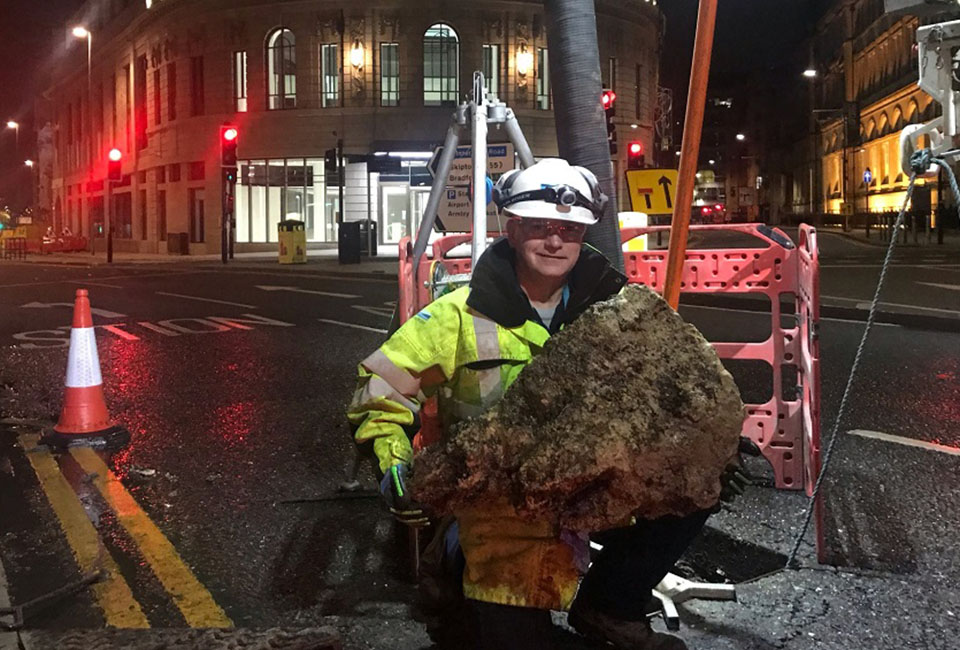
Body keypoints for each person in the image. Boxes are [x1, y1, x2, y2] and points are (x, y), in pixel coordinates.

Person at [348, 158, 729, 650]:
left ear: (584, 232)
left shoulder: (618, 313)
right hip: (498, 510)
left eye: (569, 229)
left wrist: (715, 449)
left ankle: (610, 603)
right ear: (510, 229)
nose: (555, 241)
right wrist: (394, 466)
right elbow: (379, 391)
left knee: (703, 479)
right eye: (539, 227)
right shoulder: (456, 318)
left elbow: (673, 399)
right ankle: (454, 583)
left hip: (594, 491)